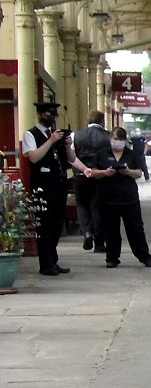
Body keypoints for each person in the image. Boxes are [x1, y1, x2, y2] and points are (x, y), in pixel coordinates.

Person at [21, 100, 90, 275]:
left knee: (57, 224)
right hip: (42, 186)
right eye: (48, 114)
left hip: (59, 185)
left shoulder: (57, 134)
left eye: (54, 114)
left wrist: (69, 149)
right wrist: (51, 141)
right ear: (39, 114)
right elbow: (34, 158)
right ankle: (45, 264)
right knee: (45, 225)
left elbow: (71, 158)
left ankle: (53, 260)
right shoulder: (31, 134)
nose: (51, 118)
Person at [92, 127, 151, 268]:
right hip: (107, 198)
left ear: (125, 141)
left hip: (128, 197)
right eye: (115, 139)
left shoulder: (132, 154)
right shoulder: (101, 154)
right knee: (111, 229)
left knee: (135, 228)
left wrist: (127, 171)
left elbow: (139, 173)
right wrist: (105, 172)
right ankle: (112, 258)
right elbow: (93, 172)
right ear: (110, 139)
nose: (118, 142)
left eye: (120, 140)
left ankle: (144, 256)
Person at [72, 110, 112, 250]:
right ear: (102, 121)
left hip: (81, 176)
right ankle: (100, 243)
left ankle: (87, 232)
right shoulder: (108, 137)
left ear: (88, 121)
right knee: (98, 208)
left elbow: (71, 156)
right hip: (101, 176)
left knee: (82, 205)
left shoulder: (76, 136)